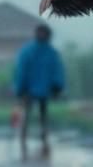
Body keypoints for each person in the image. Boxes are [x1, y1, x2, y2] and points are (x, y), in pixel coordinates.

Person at [13, 24, 65, 155]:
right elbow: (21, 71)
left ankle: (42, 139)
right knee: (27, 115)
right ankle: (24, 139)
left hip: (42, 91)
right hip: (30, 90)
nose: (42, 35)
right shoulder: (29, 51)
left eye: (43, 33)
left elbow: (57, 71)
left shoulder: (50, 53)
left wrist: (57, 86)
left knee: (42, 115)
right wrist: (20, 88)